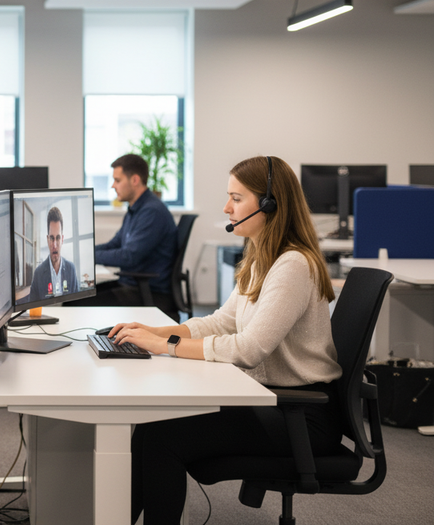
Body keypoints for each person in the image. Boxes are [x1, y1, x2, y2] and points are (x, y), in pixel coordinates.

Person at [106, 155, 343, 525]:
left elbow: (248, 349)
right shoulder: (262, 256)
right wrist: (154, 332)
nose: (226, 207)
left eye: (236, 198)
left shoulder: (293, 265)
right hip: (271, 400)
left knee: (162, 436)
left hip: (300, 417)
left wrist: (165, 346)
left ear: (269, 204)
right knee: (154, 424)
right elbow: (222, 321)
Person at [88, 154, 178, 320]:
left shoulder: (152, 212)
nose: (113, 186)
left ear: (135, 180)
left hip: (149, 293)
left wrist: (88, 256)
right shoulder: (136, 209)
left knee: (76, 303)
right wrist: (85, 252)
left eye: (117, 180)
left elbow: (128, 257)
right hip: (134, 286)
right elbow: (114, 244)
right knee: (81, 294)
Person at [28, 206, 79, 301]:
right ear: (47, 239)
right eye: (52, 238)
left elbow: (77, 304)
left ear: (62, 239)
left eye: (58, 238)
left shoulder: (71, 270)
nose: (54, 245)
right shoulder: (38, 274)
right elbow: (32, 307)